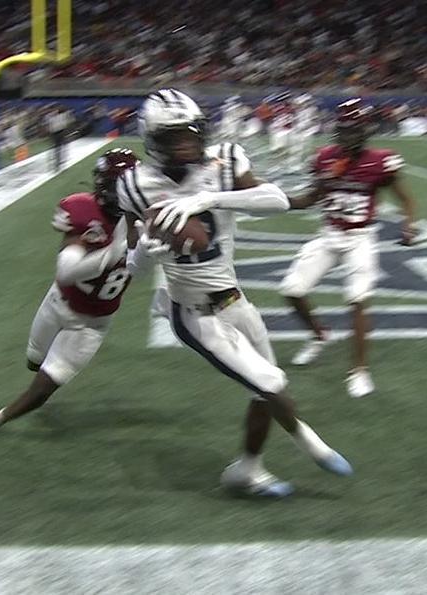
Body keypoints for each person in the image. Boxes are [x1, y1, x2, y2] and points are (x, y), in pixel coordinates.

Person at [117, 88, 353, 498]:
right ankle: (314, 446)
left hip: (234, 298)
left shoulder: (223, 161)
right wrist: (144, 253)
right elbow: (131, 270)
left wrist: (207, 198)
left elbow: (275, 199)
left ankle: (247, 470)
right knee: (270, 382)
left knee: (262, 394)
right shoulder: (136, 186)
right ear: (155, 142)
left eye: (192, 133)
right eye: (176, 136)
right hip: (193, 312)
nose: (188, 143)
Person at [0, 148, 148, 446]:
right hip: (59, 301)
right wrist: (115, 251)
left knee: (44, 386)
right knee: (34, 360)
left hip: (93, 322)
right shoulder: (85, 211)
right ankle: (34, 379)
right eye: (118, 186)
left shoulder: (147, 222)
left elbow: (144, 271)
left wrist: (144, 250)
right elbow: (67, 272)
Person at [278, 99, 418, 398]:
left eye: (352, 130)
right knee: (292, 289)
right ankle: (319, 335)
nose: (346, 136)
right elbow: (310, 198)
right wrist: (272, 199)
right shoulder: (325, 157)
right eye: (342, 130)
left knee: (357, 298)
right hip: (329, 234)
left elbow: (405, 199)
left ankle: (359, 370)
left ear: (364, 131)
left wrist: (408, 224)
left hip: (360, 238)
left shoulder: (381, 161)